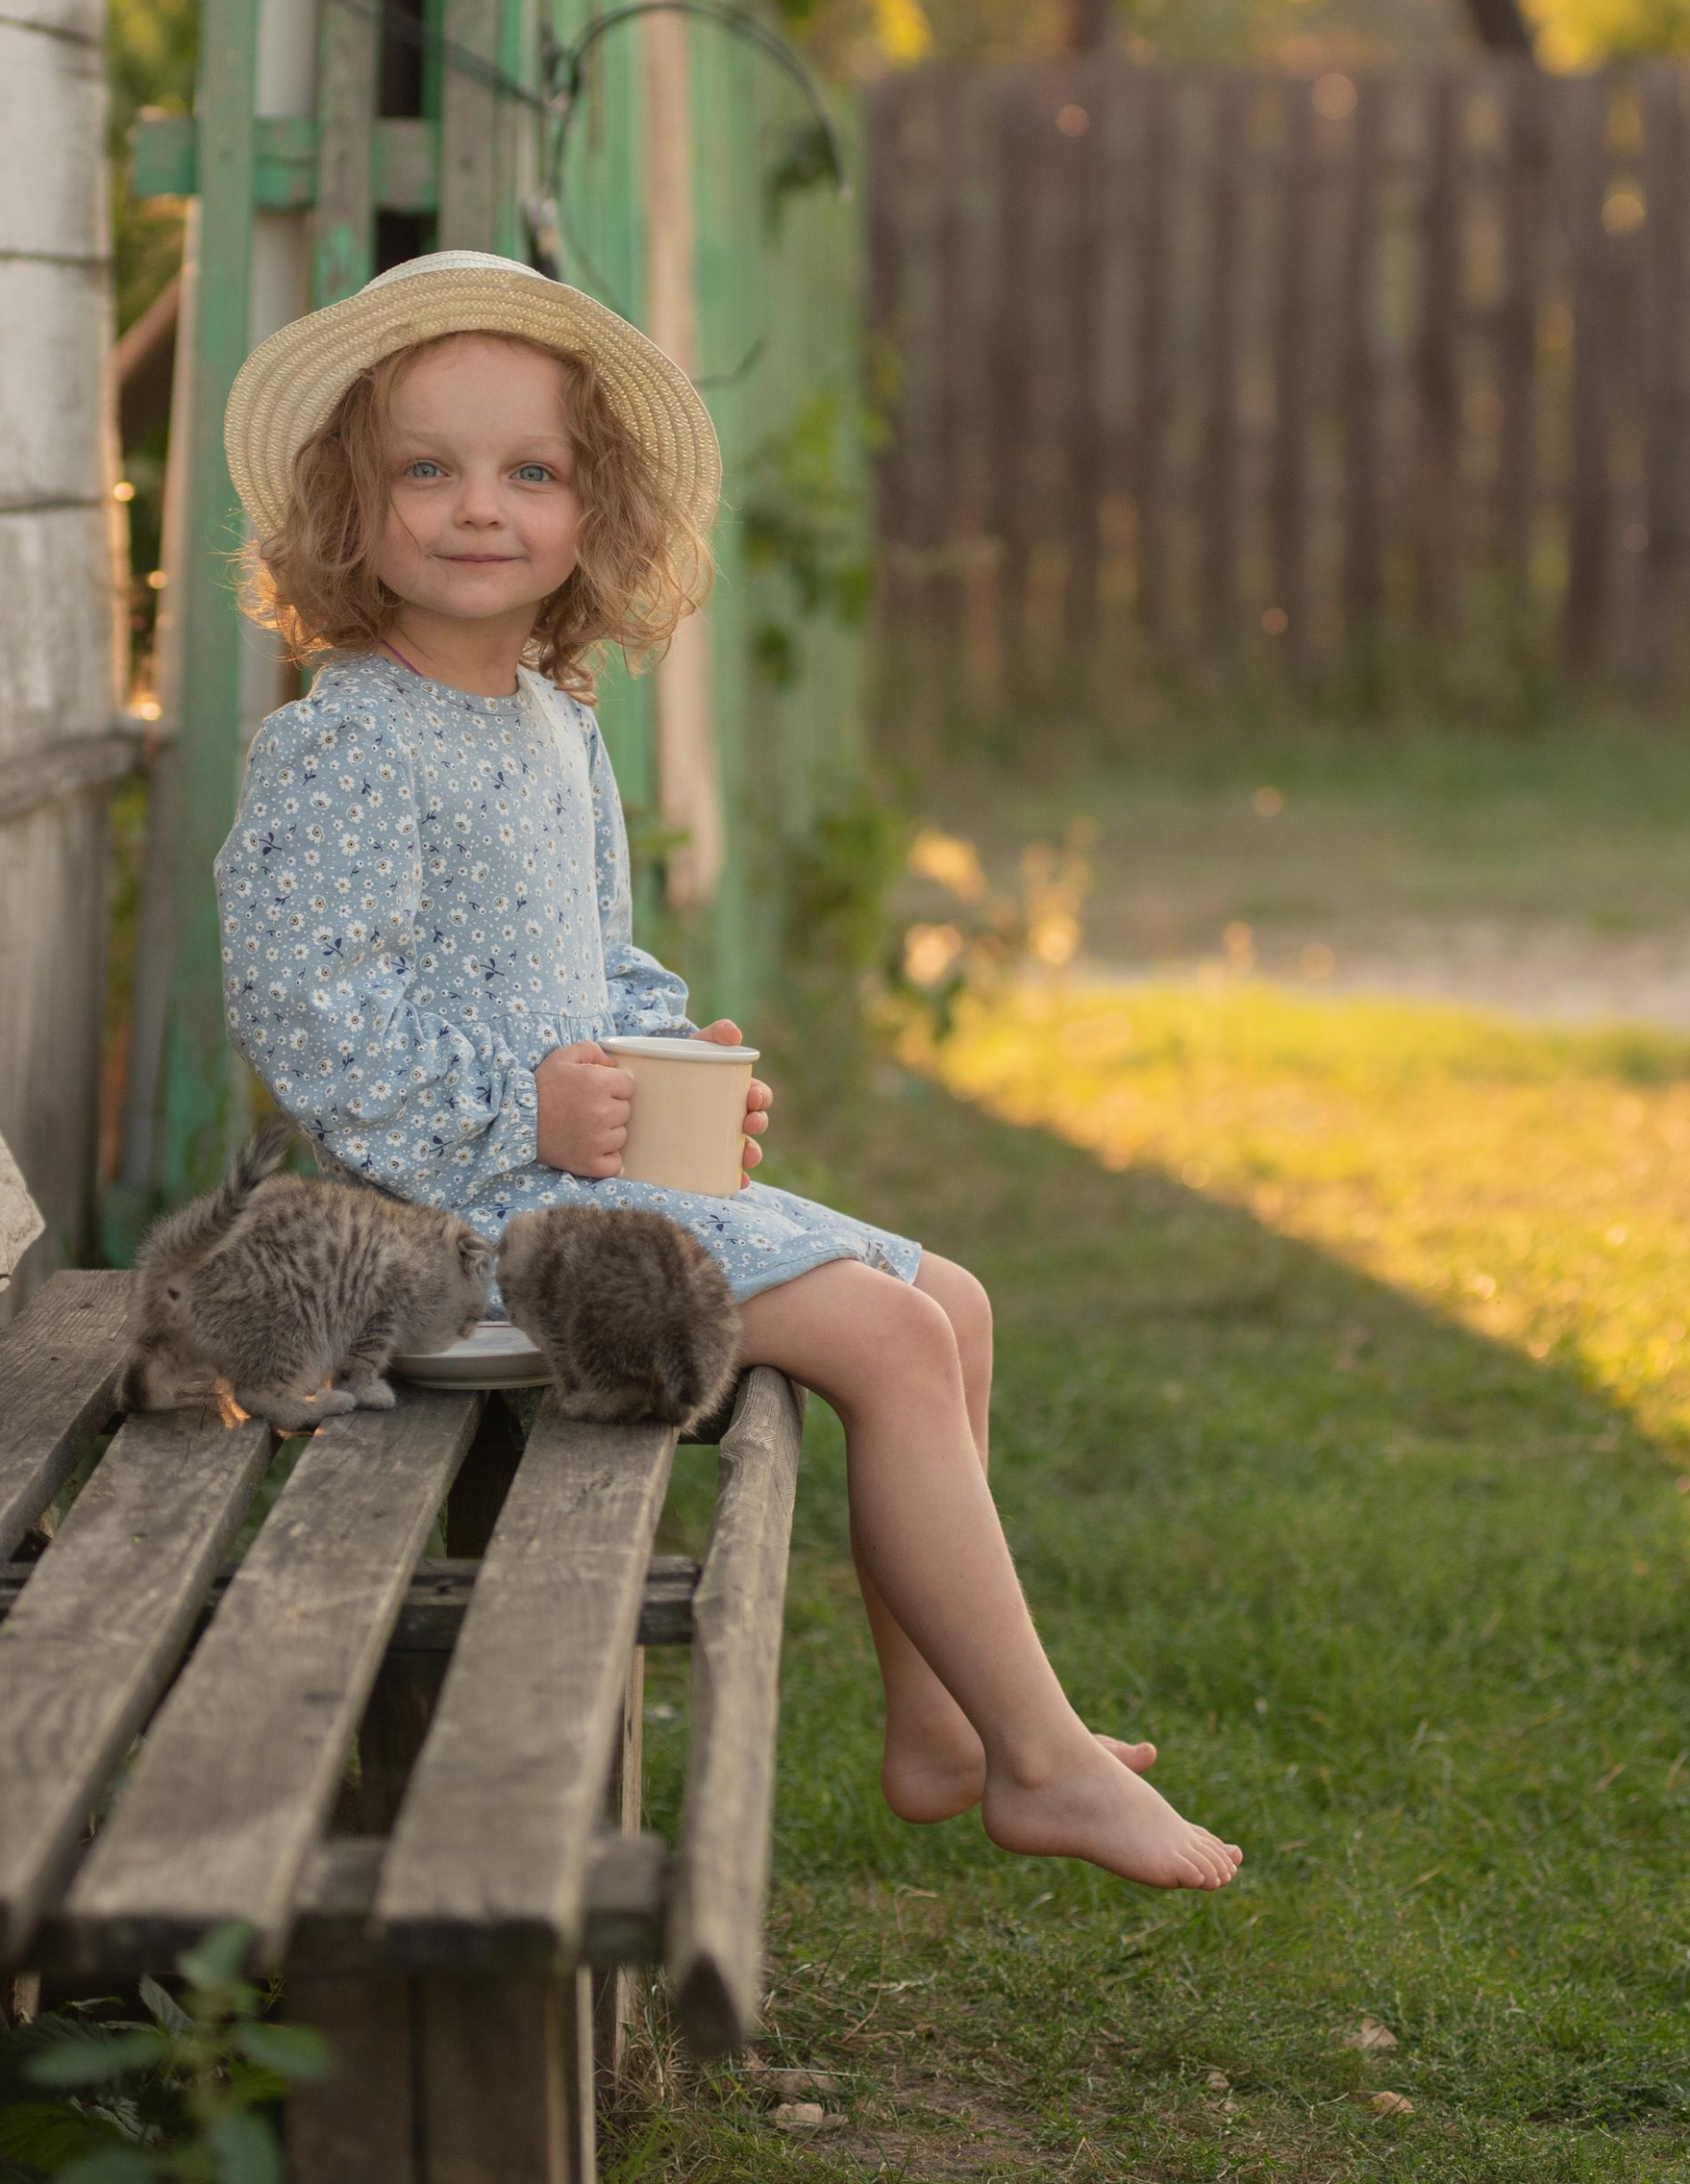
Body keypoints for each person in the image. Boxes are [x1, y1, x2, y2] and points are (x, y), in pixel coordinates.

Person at [215, 250, 1240, 1894]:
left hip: (574, 1188)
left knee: (954, 1302)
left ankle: (941, 1731)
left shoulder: (552, 718)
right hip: (443, 1240)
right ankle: (1043, 1762)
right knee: (888, 1340)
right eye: (428, 468)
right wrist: (523, 1106)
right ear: (350, 502)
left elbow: (593, 958)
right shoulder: (346, 745)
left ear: (588, 511)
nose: (482, 507)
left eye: (530, 471)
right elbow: (308, 1013)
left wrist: (667, 1053)